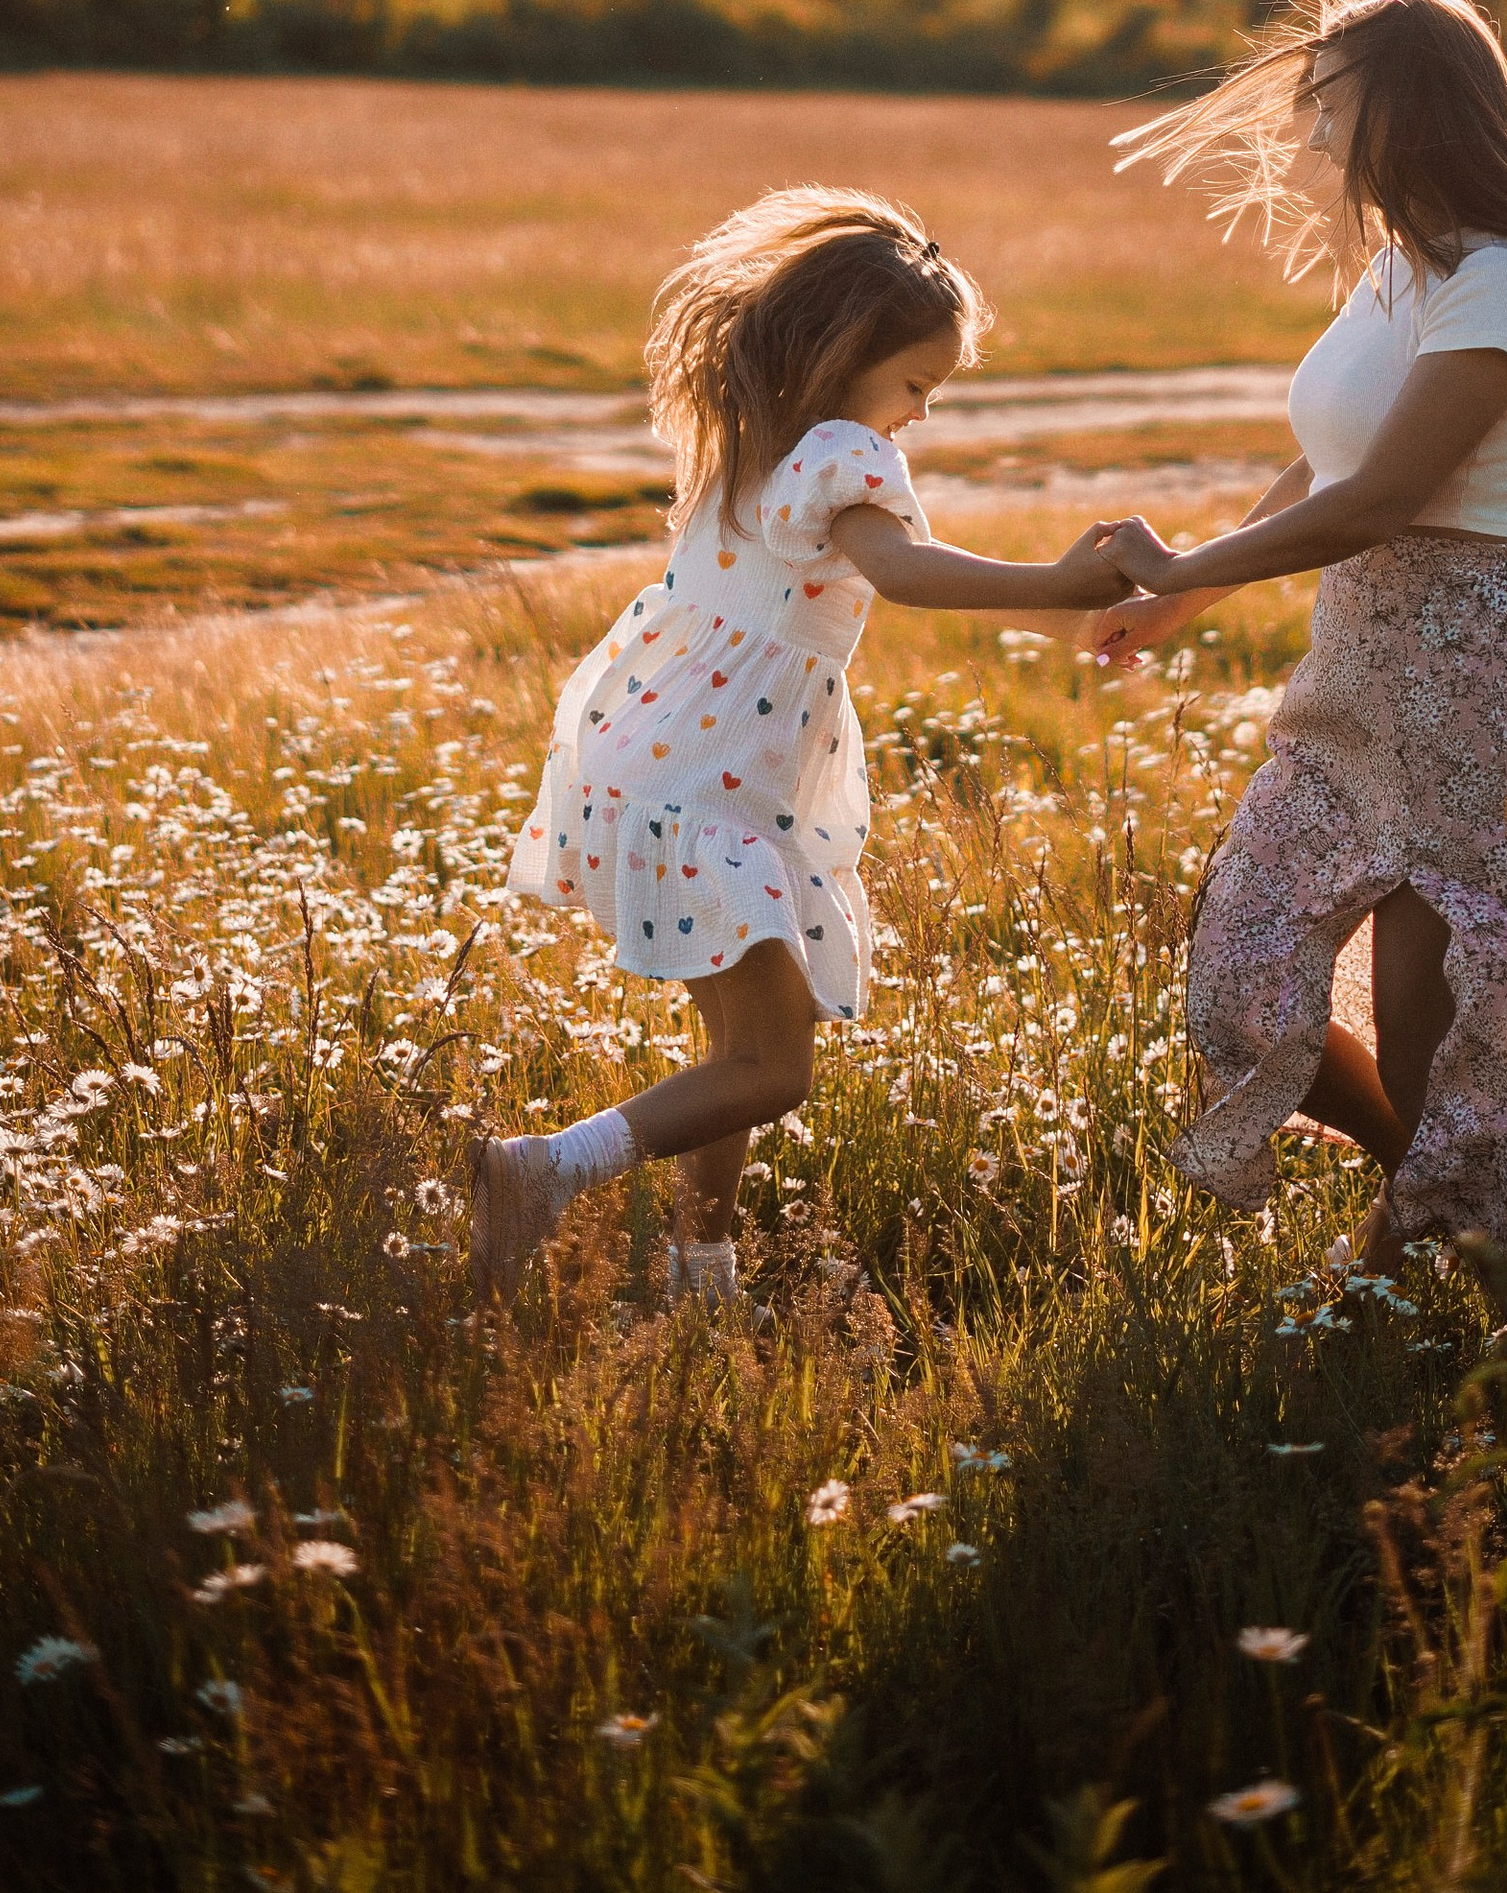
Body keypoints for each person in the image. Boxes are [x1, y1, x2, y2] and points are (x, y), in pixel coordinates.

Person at [472, 185, 1135, 1306]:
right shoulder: (842, 451)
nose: (920, 412)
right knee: (772, 1070)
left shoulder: (752, 437)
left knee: (735, 1057)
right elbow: (907, 573)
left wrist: (1069, 616)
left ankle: (702, 1275)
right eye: (916, 384)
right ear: (846, 354)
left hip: (666, 761)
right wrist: (1066, 580)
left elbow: (885, 574)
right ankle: (539, 1171)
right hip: (716, 781)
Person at [1092, 0, 1507, 1346]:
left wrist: (1181, 566)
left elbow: (1384, 501)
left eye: (1332, 100)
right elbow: (1328, 466)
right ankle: (1469, 1211)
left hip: (1462, 678)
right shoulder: (1400, 270)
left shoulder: (1501, 285)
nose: (1308, 127)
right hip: (1350, 677)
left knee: (1428, 1024)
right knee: (1236, 973)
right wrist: (1185, 596)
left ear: (1410, 109)